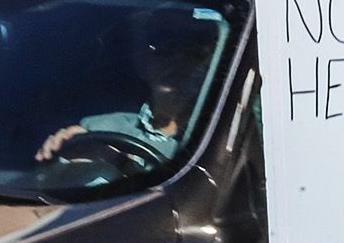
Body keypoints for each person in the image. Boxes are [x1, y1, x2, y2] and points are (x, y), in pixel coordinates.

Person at [33, 14, 212, 171]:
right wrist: (52, 159)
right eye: (165, 47)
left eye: (194, 53)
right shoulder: (98, 126)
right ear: (144, 65)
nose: (177, 61)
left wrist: (120, 163)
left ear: (211, 69)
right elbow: (50, 193)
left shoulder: (214, 142)